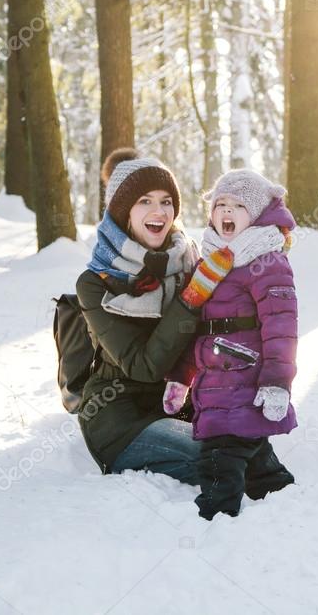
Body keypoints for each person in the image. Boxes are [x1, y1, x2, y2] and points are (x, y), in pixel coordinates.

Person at [75, 148, 234, 483]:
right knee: (220, 464)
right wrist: (191, 298)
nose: (159, 211)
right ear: (123, 211)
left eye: (166, 201)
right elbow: (145, 368)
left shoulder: (190, 261)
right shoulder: (94, 283)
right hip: (121, 415)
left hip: (184, 405)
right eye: (144, 201)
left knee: (250, 452)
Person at [163, 169, 299, 519]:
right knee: (249, 446)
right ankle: (281, 495)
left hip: (245, 382)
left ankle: (215, 520)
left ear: (255, 216)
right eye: (220, 203)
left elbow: (281, 328)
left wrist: (276, 384)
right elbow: (198, 328)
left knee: (218, 459)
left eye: (238, 205)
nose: (226, 211)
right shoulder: (211, 262)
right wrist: (182, 376)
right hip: (218, 383)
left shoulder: (267, 262)